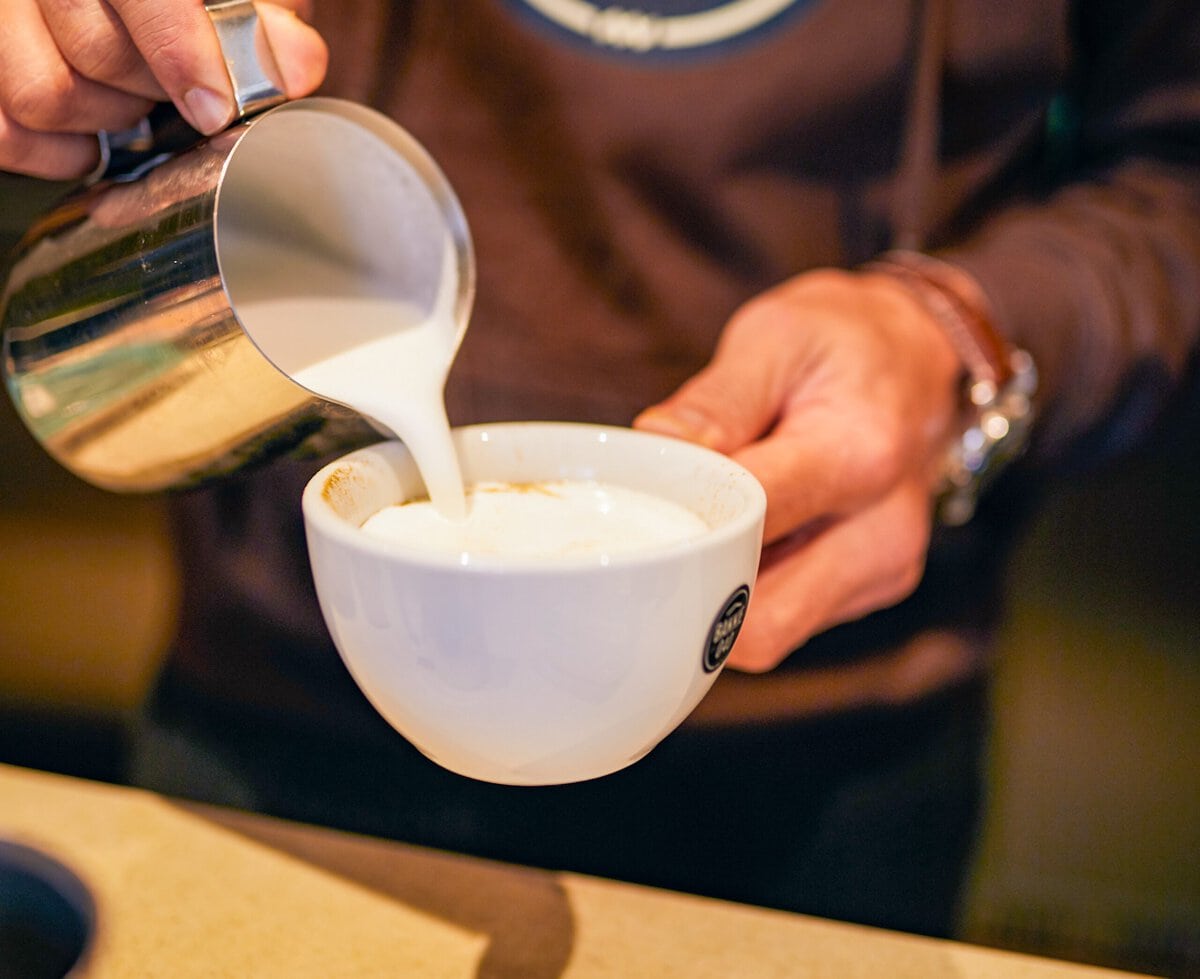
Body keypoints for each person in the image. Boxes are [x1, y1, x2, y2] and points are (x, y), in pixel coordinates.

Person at [2, 0, 1198, 941]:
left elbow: (1174, 184)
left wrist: (965, 332)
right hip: (281, 724)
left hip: (821, 770)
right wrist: (74, 55)